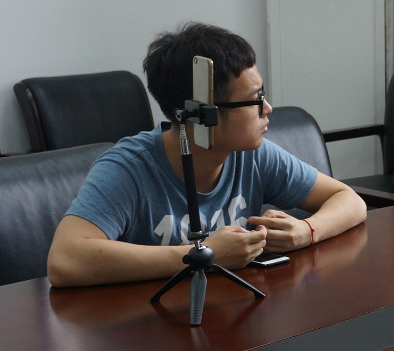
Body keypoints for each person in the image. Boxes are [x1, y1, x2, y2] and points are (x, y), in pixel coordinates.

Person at [46, 21, 367, 287]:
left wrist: (306, 231)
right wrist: (202, 255)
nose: (267, 108)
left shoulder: (251, 155)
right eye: (255, 99)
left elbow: (349, 200)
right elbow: (65, 261)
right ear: (202, 115)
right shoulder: (128, 168)